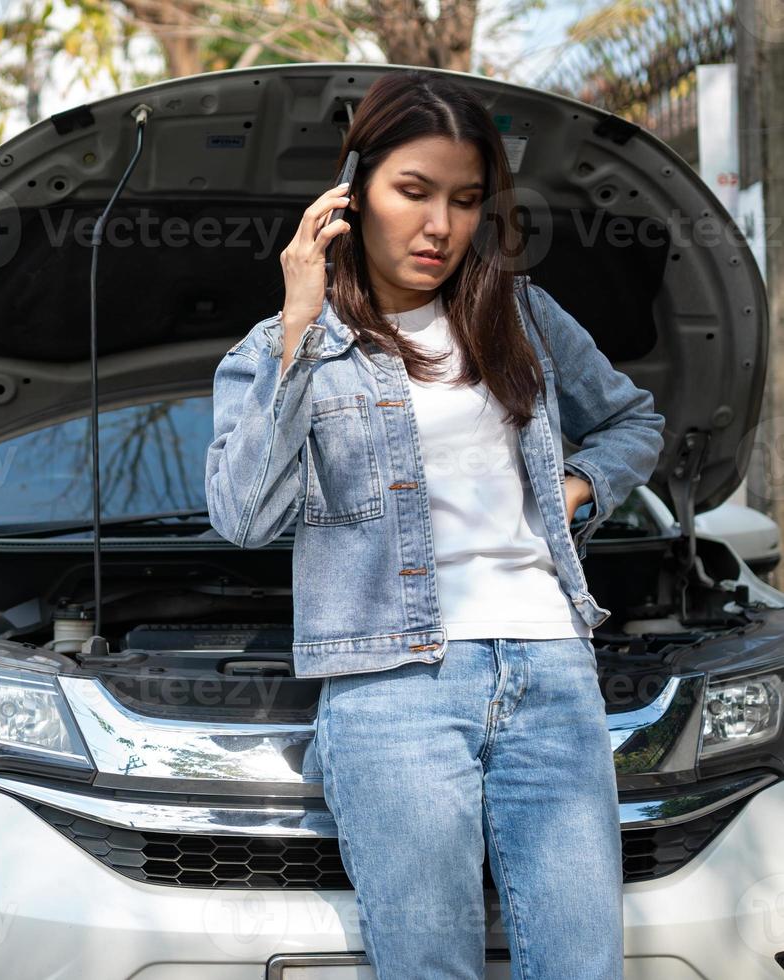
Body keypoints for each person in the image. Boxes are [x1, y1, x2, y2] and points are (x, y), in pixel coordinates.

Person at [205, 68, 666, 979]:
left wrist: (572, 492)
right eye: (412, 191)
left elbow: (633, 418)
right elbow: (246, 517)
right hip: (393, 688)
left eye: (463, 200)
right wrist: (300, 328)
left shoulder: (520, 313)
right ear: (352, 193)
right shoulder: (276, 349)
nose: (440, 226)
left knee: (584, 967)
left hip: (552, 668)